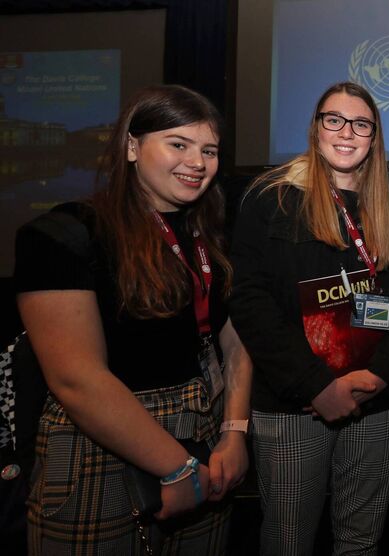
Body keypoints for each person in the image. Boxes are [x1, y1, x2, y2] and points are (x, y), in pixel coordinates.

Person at [15, 85, 252, 554]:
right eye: (178, 144)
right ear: (131, 146)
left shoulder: (209, 237)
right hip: (99, 451)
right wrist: (176, 467)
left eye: (209, 150)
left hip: (204, 443)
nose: (198, 162)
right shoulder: (64, 234)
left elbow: (234, 345)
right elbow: (77, 379)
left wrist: (235, 434)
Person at [228, 81, 389, 555]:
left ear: (374, 137)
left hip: (373, 401)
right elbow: (250, 303)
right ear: (316, 130)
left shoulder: (388, 208)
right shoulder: (271, 198)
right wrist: (316, 386)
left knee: (361, 542)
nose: (346, 132)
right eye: (333, 120)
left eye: (360, 124)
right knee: (289, 540)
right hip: (296, 405)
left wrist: (381, 375)